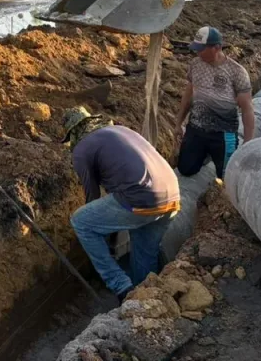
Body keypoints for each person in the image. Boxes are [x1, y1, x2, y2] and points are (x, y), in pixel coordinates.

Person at [65, 107, 180, 302]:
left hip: (142, 198)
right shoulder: (121, 131)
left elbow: (92, 196)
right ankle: (144, 302)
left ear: (74, 133)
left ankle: (120, 286)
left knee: (81, 221)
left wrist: (104, 233)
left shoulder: (82, 149)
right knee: (144, 253)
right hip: (173, 195)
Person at [175, 26, 254, 180]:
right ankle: (203, 154)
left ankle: (215, 155)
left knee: (226, 177)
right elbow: (188, 93)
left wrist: (248, 143)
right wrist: (179, 123)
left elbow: (247, 109)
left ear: (217, 47)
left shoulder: (236, 72)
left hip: (223, 133)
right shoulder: (195, 65)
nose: (197, 53)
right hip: (196, 129)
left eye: (201, 49)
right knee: (185, 170)